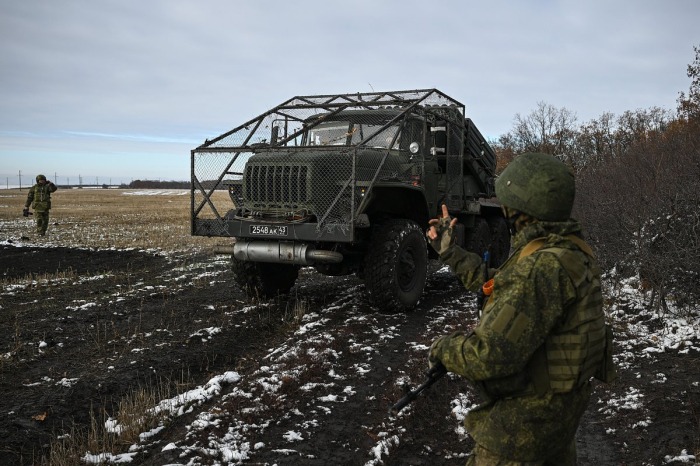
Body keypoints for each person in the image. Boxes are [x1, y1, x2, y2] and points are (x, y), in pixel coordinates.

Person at [426, 152, 615, 465]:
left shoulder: (541, 267)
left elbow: (488, 355)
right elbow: (496, 285)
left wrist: (443, 348)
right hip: (559, 420)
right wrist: (449, 250)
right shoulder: (569, 252)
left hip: (522, 430)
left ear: (521, 210)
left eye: (507, 203)